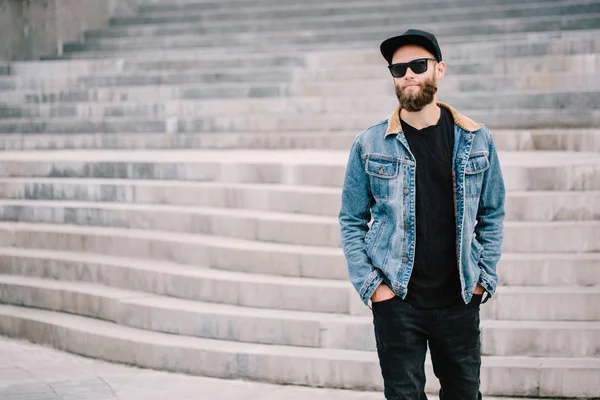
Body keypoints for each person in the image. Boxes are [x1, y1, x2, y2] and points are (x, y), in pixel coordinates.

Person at [338, 29, 506, 400]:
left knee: (464, 394)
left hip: (460, 300)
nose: (408, 74)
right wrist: (373, 288)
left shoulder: (477, 139)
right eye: (399, 69)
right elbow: (351, 219)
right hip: (397, 301)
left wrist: (484, 279)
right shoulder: (369, 144)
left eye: (418, 65)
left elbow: (492, 213)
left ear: (439, 70)